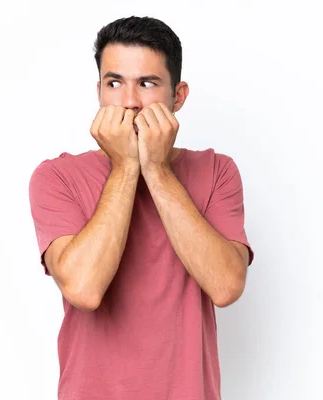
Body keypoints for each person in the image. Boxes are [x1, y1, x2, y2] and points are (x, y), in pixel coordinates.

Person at [28, 15, 254, 400]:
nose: (129, 102)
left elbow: (226, 286)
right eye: (115, 83)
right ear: (98, 90)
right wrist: (126, 166)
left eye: (147, 84)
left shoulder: (217, 171)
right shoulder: (56, 177)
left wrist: (157, 169)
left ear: (178, 96)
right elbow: (84, 289)